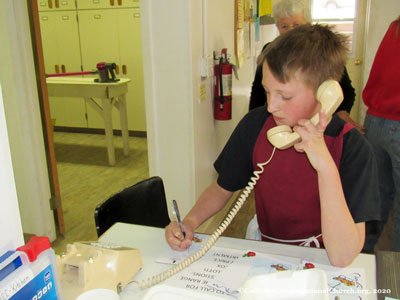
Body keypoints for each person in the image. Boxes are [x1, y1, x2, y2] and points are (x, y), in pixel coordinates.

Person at [165, 24, 380, 267]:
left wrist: (325, 167)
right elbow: (222, 188)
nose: (271, 106)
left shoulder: (352, 147)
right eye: (267, 91)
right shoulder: (256, 126)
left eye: (284, 96)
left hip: (324, 261)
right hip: (267, 249)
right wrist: (190, 222)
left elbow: (342, 256)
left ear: (325, 93)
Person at [248, 0, 365, 134]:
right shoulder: (270, 51)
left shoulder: (322, 54)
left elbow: (346, 90)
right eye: (284, 26)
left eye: (297, 24)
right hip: (278, 127)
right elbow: (257, 92)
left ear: (307, 25)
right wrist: (253, 124)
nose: (291, 30)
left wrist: (342, 112)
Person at [362, 16, 400, 252]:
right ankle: (395, 275)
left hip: (375, 122)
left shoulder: (395, 27)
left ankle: (359, 257)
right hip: (396, 122)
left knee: (374, 200)